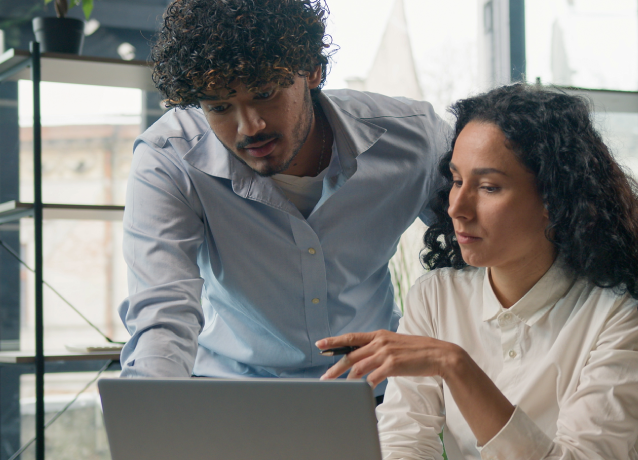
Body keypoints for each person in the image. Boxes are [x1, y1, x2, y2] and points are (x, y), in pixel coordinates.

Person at [317, 84, 638, 460]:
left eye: (488, 187)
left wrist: (457, 367)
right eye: (456, 181)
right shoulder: (436, 297)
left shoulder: (623, 317)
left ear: (554, 200)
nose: (457, 207)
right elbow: (404, 438)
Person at [118, 0, 450, 385]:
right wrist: (154, 421)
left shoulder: (414, 139)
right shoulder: (169, 158)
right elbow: (162, 315)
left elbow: (486, 252)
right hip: (229, 392)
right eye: (220, 106)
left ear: (311, 69)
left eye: (264, 93)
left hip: (371, 389)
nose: (250, 127)